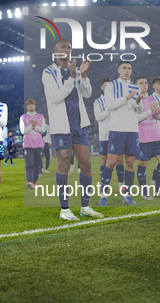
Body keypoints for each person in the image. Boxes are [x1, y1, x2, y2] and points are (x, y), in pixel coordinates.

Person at [42, 40, 102, 220]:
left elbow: (88, 93)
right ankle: (65, 210)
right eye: (63, 47)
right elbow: (55, 97)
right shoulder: (48, 72)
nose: (67, 50)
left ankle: (85, 207)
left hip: (79, 124)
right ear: (56, 51)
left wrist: (82, 76)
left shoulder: (74, 71)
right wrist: (72, 77)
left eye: (69, 48)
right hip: (62, 126)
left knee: (86, 164)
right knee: (64, 164)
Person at [99, 61, 142, 206]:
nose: (127, 70)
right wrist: (127, 97)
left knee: (130, 163)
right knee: (111, 162)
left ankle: (127, 195)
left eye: (129, 68)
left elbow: (139, 110)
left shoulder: (136, 87)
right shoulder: (111, 86)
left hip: (132, 129)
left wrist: (138, 102)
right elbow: (110, 106)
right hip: (117, 128)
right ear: (118, 70)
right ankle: (103, 195)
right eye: (124, 68)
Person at [134, 77, 160, 200]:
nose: (144, 85)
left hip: (156, 135)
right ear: (135, 86)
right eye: (141, 83)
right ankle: (144, 192)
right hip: (143, 138)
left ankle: (158, 190)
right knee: (143, 164)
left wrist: (159, 112)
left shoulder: (152, 98)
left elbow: (157, 117)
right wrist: (150, 111)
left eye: (145, 83)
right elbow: (136, 119)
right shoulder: (134, 101)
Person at [94, 77, 126, 194]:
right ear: (102, 87)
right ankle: (104, 186)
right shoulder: (98, 102)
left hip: (117, 133)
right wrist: (109, 109)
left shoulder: (117, 100)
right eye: (106, 86)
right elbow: (99, 117)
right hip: (105, 135)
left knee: (120, 160)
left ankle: (121, 185)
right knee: (104, 160)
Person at [20, 99, 46, 188]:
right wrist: (32, 125)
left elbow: (43, 130)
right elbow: (23, 131)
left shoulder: (41, 117)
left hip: (38, 144)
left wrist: (34, 126)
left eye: (32, 104)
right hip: (28, 144)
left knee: (37, 165)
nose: (31, 106)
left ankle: (33, 183)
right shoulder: (23, 117)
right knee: (29, 164)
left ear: (35, 106)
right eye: (29, 104)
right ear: (26, 106)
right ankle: (30, 181)